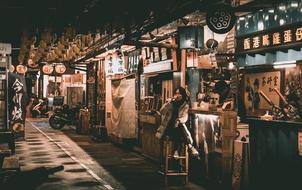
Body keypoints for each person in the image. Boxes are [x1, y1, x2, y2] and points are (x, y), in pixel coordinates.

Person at [156, 87, 199, 159]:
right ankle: (190, 146)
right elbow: (161, 112)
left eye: (179, 93)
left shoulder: (185, 105)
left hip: (178, 127)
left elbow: (185, 118)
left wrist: (179, 120)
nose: (177, 95)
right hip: (168, 127)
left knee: (180, 126)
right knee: (180, 127)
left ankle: (176, 151)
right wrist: (168, 103)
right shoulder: (171, 103)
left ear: (183, 95)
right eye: (176, 93)